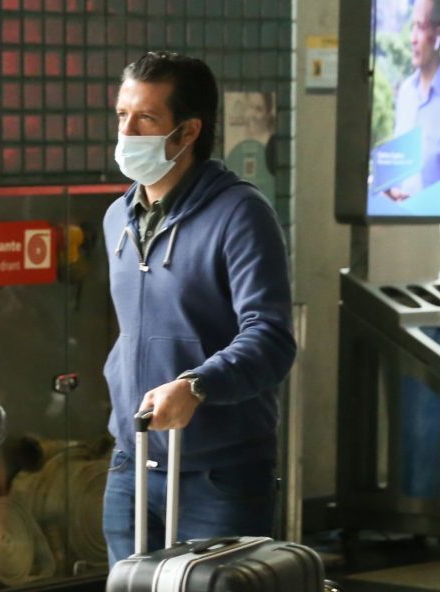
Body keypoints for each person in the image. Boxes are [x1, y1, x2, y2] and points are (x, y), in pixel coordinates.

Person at [101, 51, 296, 564]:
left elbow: (271, 337)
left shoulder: (240, 214)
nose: (127, 131)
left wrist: (196, 385)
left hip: (219, 475)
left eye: (145, 118)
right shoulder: (117, 218)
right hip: (133, 464)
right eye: (122, 115)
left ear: (187, 133)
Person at [386, 0, 440, 202]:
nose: (412, 39)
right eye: (411, 27)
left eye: (420, 27)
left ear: (439, 34)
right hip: (397, 221)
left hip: (435, 227)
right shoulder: (406, 92)